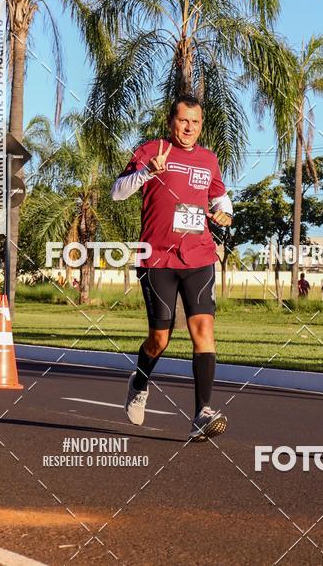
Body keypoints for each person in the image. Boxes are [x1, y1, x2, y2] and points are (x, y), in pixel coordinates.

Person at [111, 94, 233, 442]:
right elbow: (117, 192)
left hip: (199, 256)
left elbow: (221, 198)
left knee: (203, 331)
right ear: (171, 122)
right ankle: (139, 382)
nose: (189, 127)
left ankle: (202, 413)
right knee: (159, 339)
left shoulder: (208, 159)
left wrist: (225, 213)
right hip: (157, 259)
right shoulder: (152, 150)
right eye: (183, 121)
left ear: (201, 125)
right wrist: (148, 172)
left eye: (195, 122)